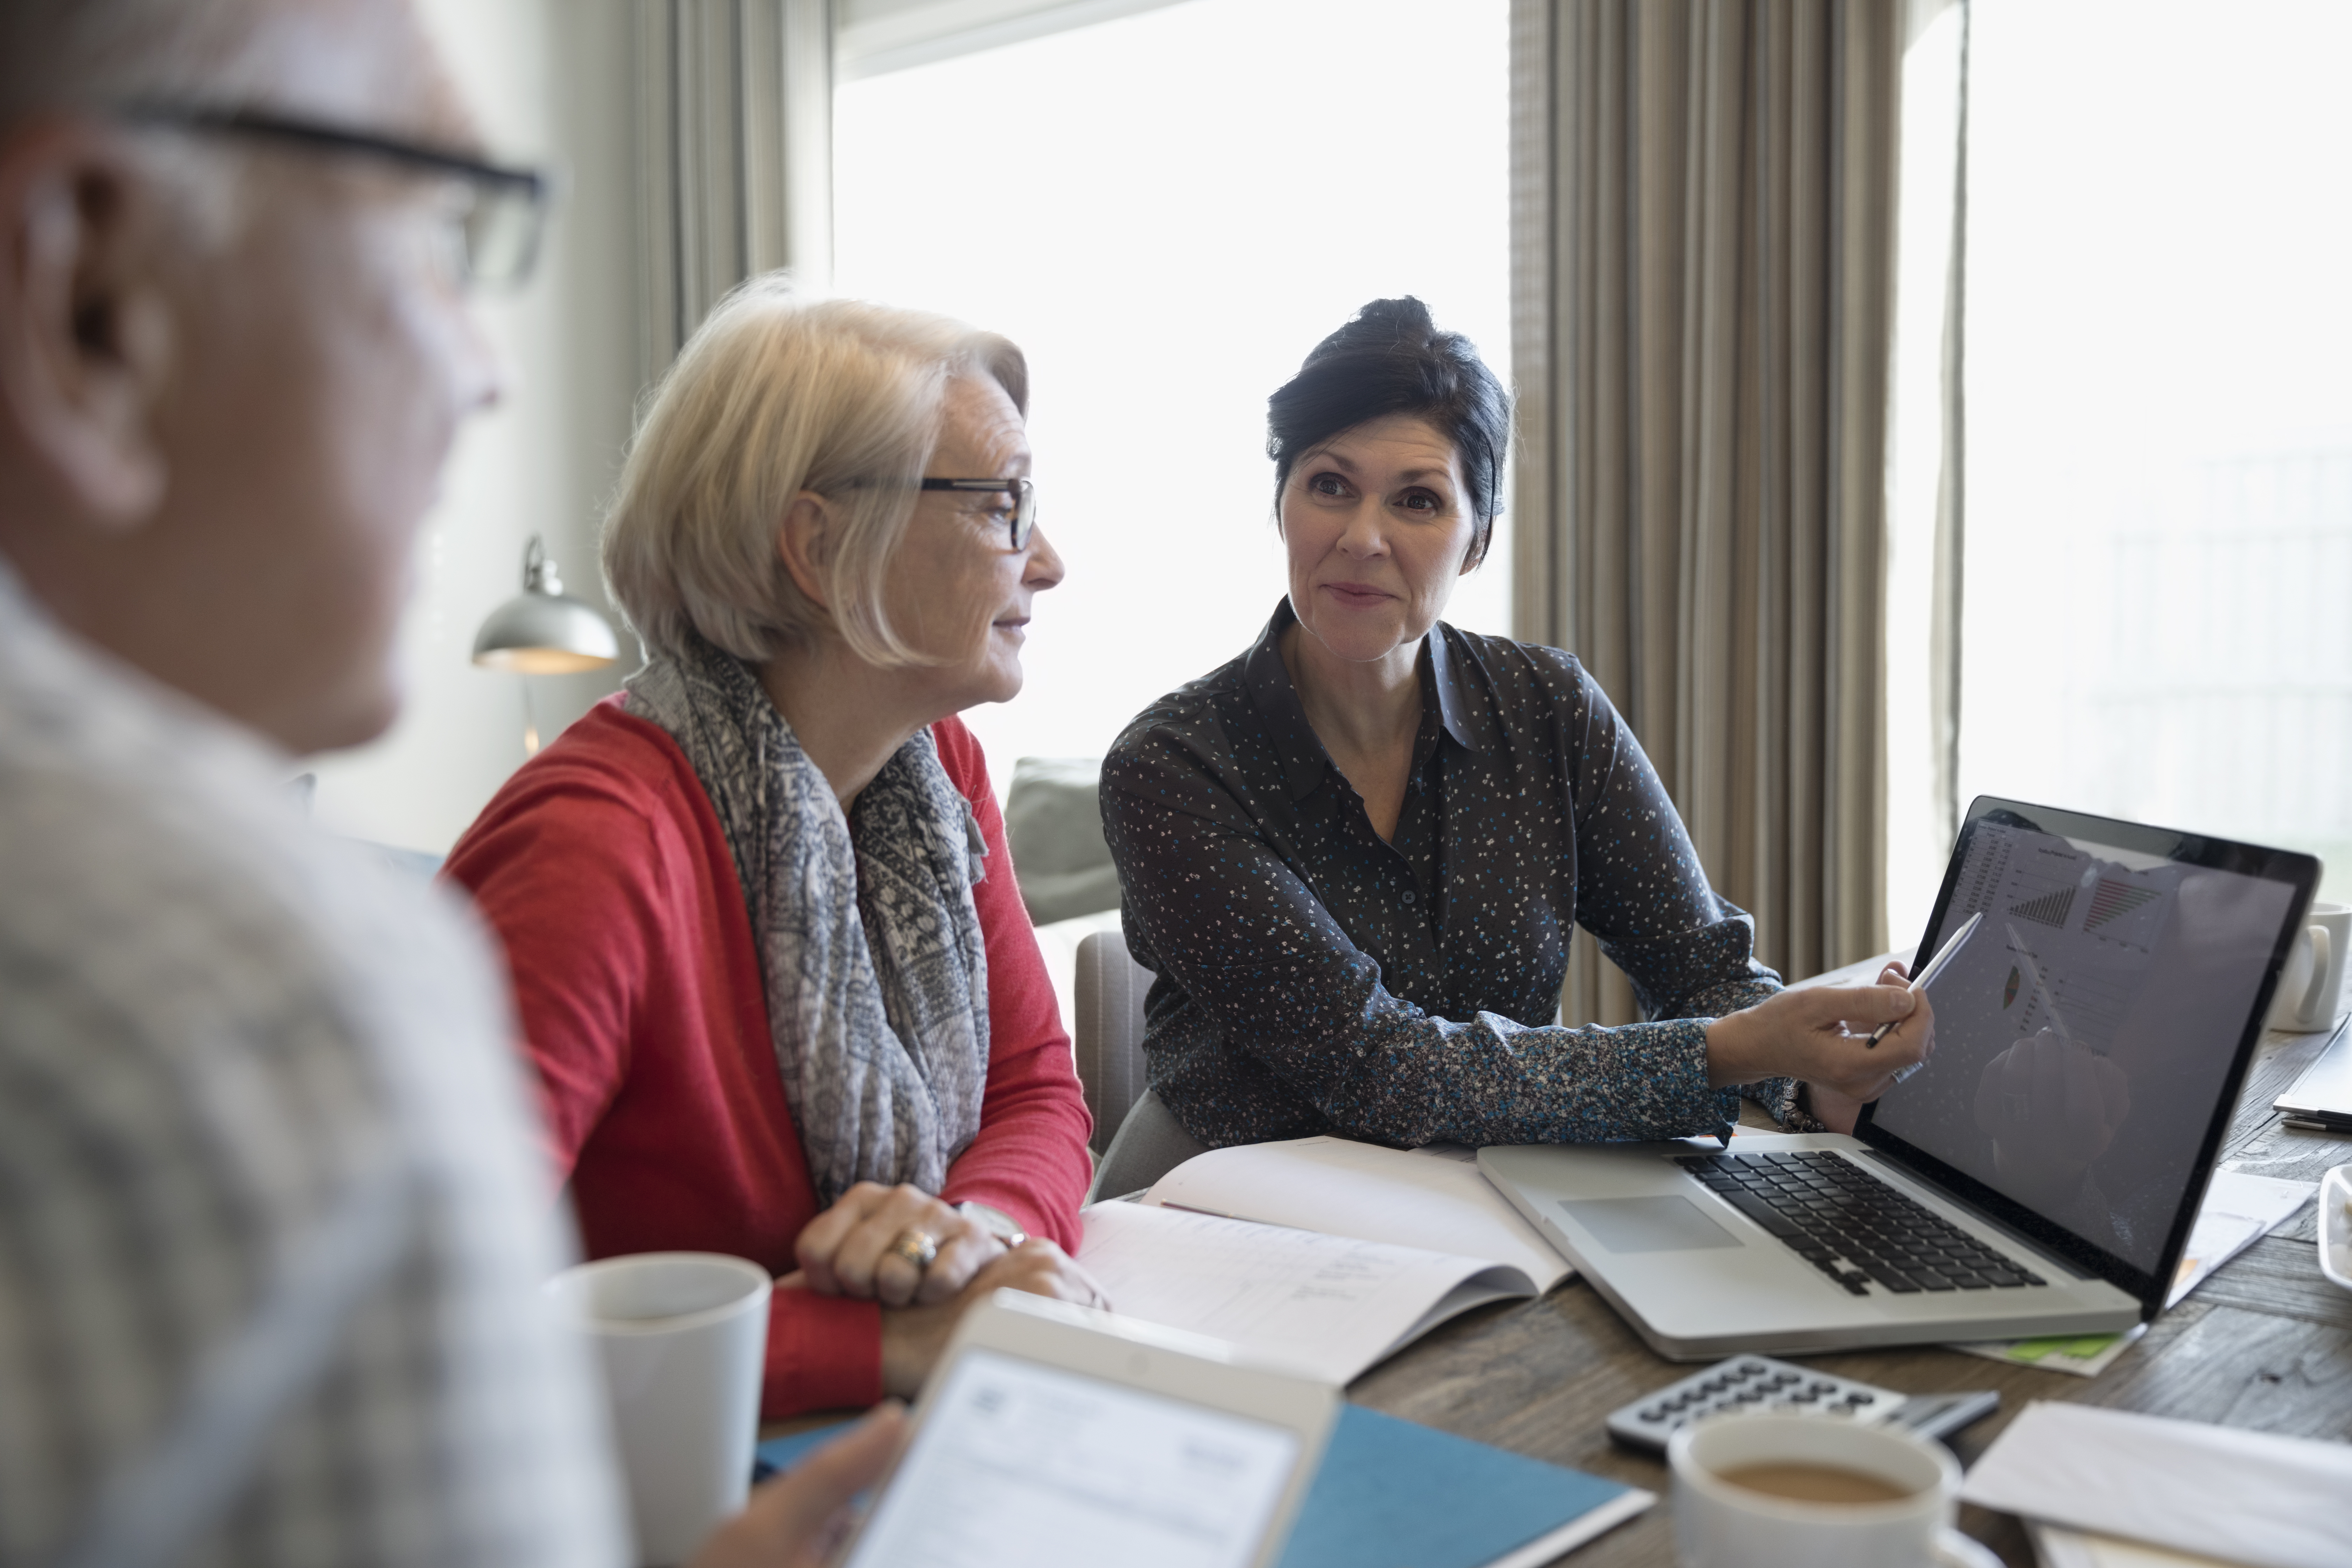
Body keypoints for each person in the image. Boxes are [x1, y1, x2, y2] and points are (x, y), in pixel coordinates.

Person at [0, 0, 896, 1561]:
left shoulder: (926, 786)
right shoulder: (259, 994)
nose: (487, 370)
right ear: (91, 295)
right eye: (428, 225)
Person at [440, 283, 1101, 1419]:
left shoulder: (936, 769)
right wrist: (873, 1343)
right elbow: (431, 1323)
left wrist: (967, 1240)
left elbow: (1034, 1090)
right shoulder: (595, 851)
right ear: (819, 544)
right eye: (1001, 505)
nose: (1047, 560)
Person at [1100, 297, 1930, 1154]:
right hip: (1234, 1201)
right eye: (1330, 485)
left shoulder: (1548, 709)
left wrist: (1815, 1078)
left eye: (1418, 500)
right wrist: (1727, 1051)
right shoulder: (1171, 766)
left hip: (1506, 1184)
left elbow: (1701, 969)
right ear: (1282, 503)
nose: (1363, 537)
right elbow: (1381, 1065)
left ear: (1477, 541)